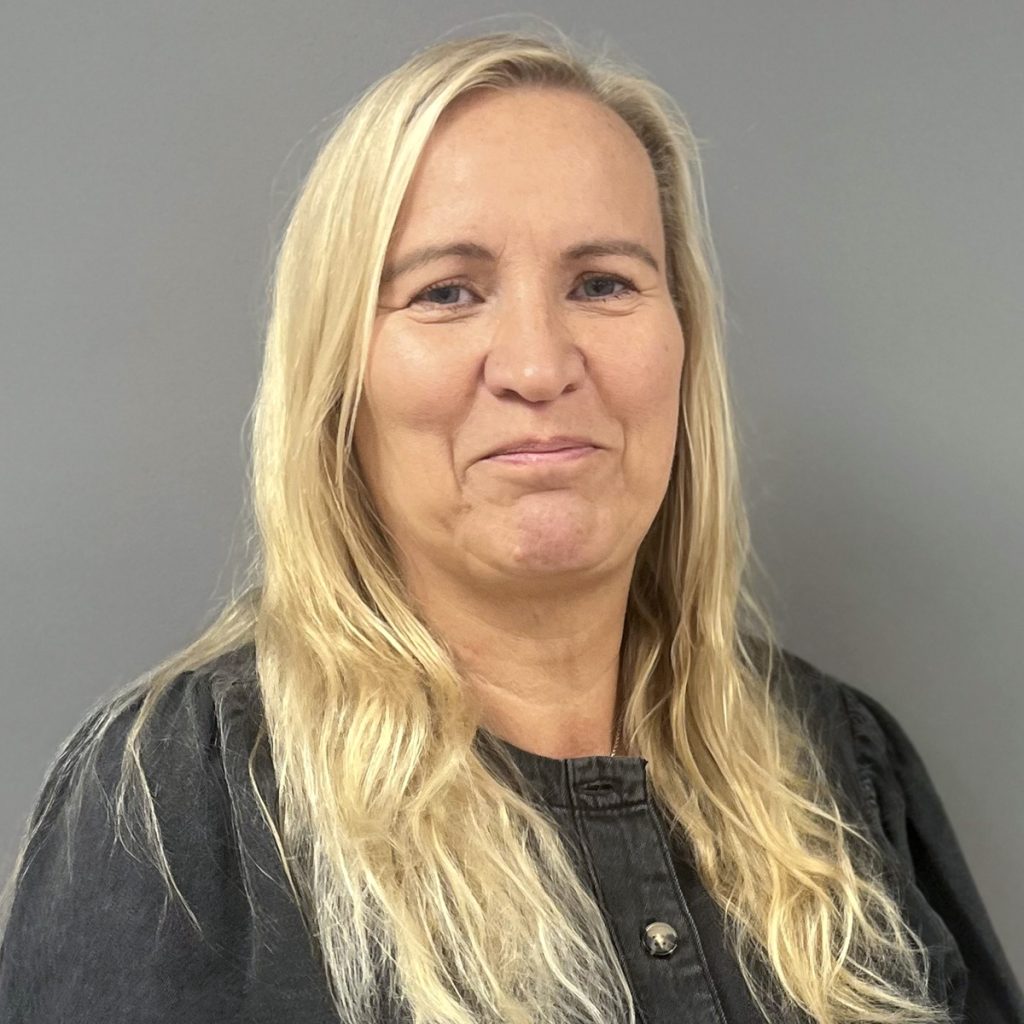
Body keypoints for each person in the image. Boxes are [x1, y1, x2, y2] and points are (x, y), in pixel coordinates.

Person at [0, 26, 1021, 1024]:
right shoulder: (175, 802)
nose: (537, 365)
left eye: (602, 284)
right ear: (338, 378)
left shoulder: (842, 769)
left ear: (682, 344)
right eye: (446, 292)